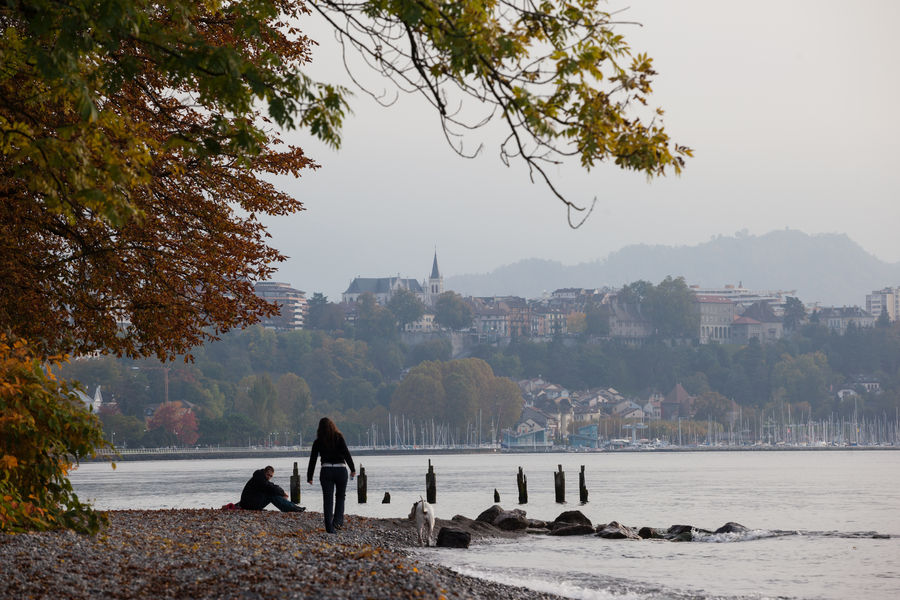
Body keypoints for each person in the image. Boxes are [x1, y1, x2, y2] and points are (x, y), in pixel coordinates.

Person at [306, 417, 355, 533]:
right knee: (340, 496)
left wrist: (310, 476)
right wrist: (352, 469)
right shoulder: (339, 438)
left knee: (327, 500)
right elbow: (346, 454)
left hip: (326, 470)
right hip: (340, 470)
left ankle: (329, 527)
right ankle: (337, 522)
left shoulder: (318, 441)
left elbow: (312, 459)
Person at [237, 466, 305, 512]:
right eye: (268, 475)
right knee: (272, 495)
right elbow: (271, 487)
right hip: (249, 505)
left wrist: (281, 492)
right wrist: (283, 493)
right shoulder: (259, 478)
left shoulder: (260, 478)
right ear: (264, 472)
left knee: (272, 493)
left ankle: (293, 507)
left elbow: (271, 486)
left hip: (250, 503)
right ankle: (292, 509)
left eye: (271, 476)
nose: (269, 477)